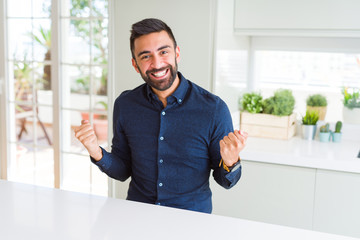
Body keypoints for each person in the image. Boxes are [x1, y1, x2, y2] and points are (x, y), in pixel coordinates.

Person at [74, 18, 248, 214]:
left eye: (163, 52)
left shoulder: (213, 109)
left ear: (177, 54)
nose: (157, 63)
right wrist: (95, 151)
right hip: (138, 217)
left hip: (191, 222)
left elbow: (226, 182)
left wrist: (231, 161)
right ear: (135, 64)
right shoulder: (125, 104)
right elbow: (123, 171)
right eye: (146, 56)